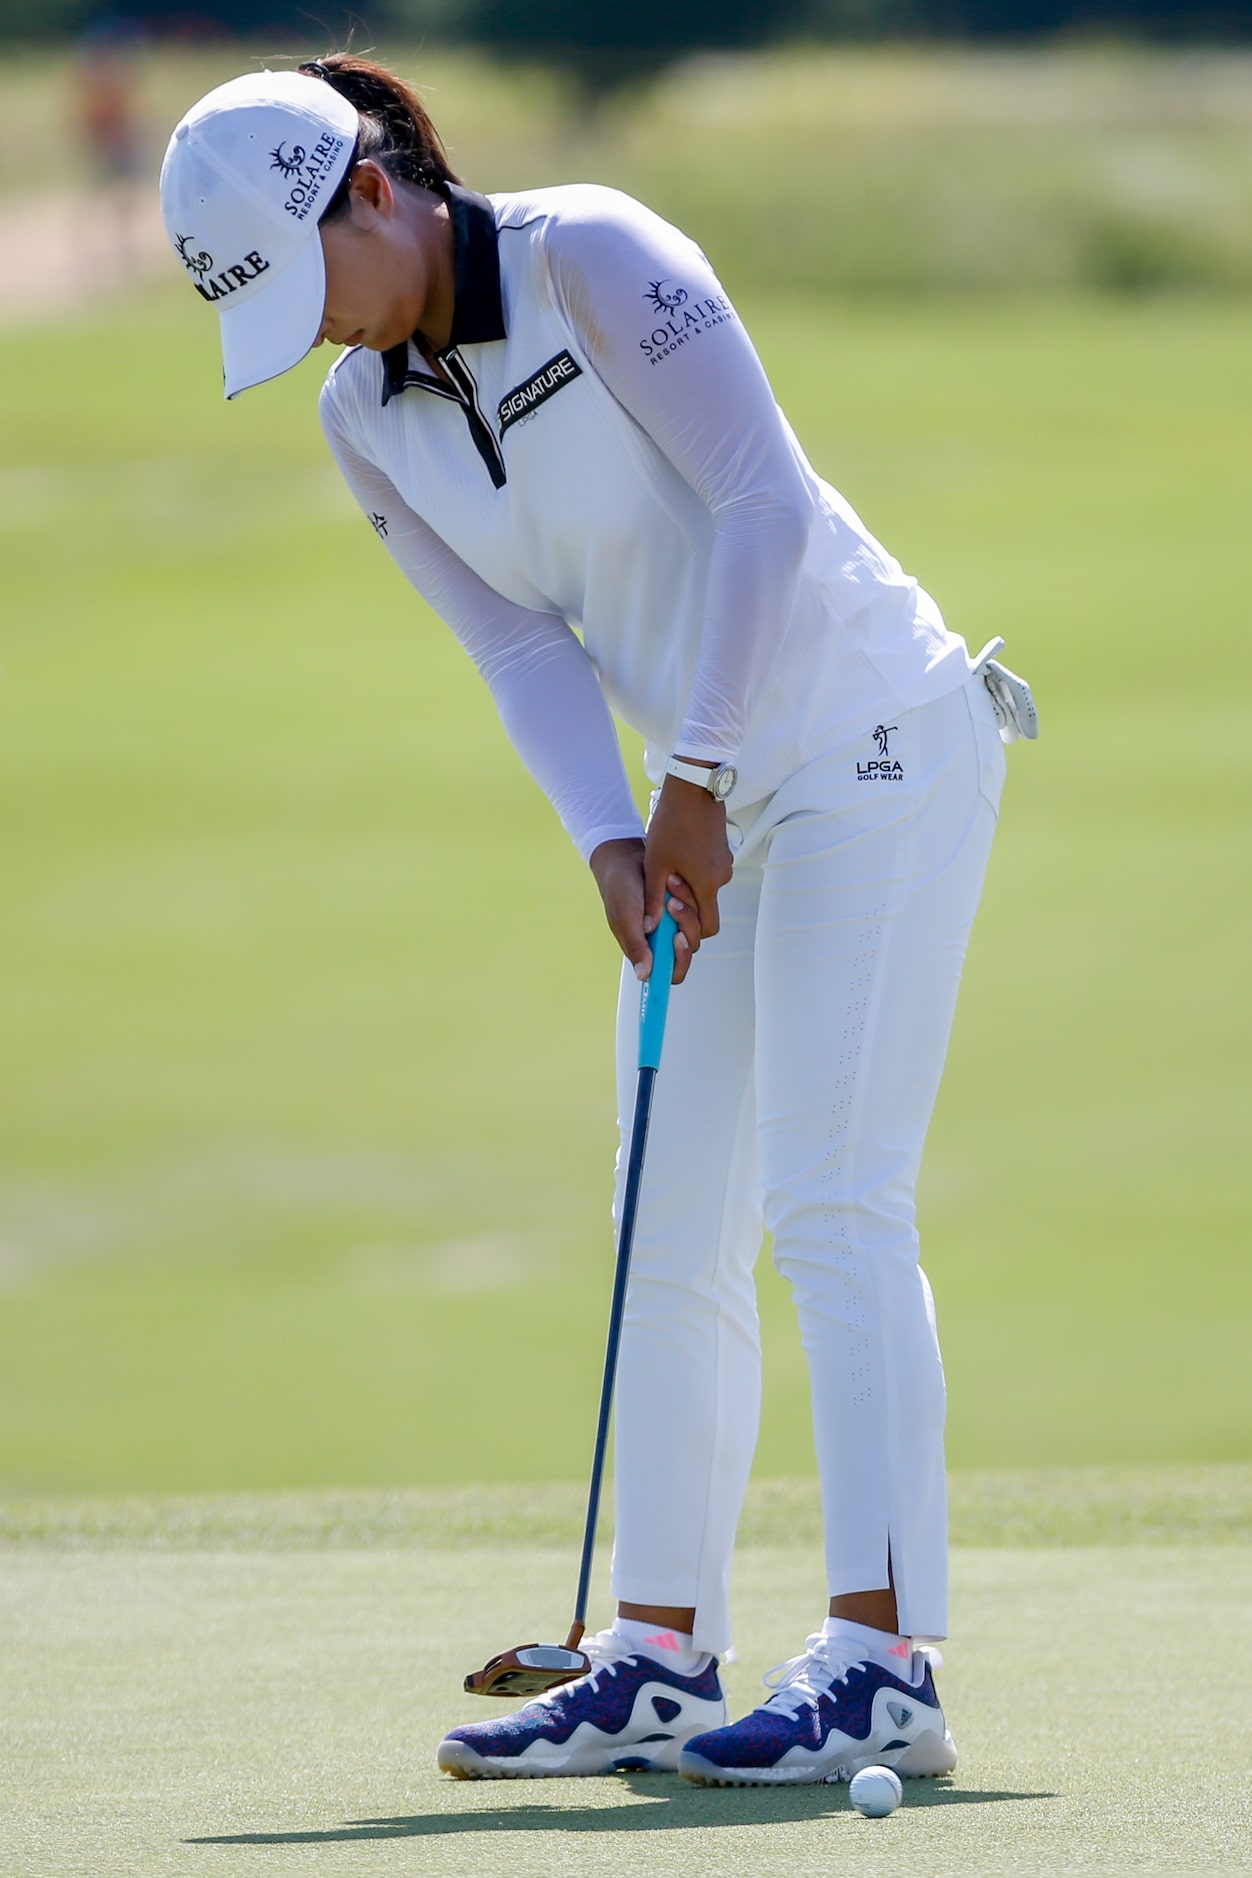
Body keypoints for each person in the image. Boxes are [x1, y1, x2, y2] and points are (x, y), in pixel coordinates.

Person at [160, 56, 1035, 1787]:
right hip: (700, 805)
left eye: (304, 280)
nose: (318, 336)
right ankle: (656, 1653)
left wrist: (691, 775)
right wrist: (608, 838)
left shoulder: (593, 255)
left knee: (830, 1200)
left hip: (872, 739)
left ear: (371, 190)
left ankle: (885, 1659)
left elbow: (763, 501)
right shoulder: (364, 417)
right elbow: (519, 648)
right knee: (666, 1210)